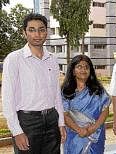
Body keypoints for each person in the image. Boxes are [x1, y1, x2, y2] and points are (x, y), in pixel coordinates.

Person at [1, 13, 66, 153]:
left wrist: (61, 123)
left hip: (51, 119)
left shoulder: (53, 59)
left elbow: (56, 94)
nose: (37, 34)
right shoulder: (14, 59)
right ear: (24, 32)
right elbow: (7, 99)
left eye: (41, 29)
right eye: (31, 30)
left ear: (46, 32)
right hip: (27, 122)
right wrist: (17, 131)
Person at [61, 54, 110, 154]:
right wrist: (79, 130)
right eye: (79, 67)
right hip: (74, 135)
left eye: (86, 67)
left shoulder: (98, 90)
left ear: (90, 71)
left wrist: (93, 128)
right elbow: (64, 115)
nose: (83, 70)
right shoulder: (66, 91)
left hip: (95, 134)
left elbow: (105, 110)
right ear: (73, 71)